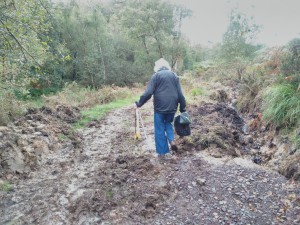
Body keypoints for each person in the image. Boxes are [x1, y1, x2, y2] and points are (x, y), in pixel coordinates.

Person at [135, 58, 186, 156]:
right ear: (167, 66)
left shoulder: (156, 76)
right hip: (172, 107)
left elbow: (148, 93)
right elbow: (181, 94)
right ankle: (171, 140)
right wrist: (183, 108)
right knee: (168, 124)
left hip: (159, 108)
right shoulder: (174, 76)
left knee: (159, 128)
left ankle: (163, 153)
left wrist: (139, 103)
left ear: (157, 68)